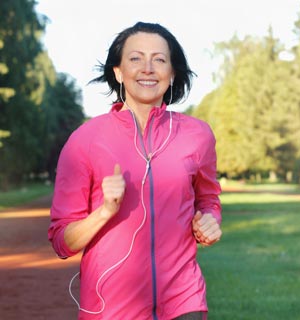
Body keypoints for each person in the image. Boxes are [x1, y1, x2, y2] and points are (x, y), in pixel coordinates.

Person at [48, 21, 222, 320]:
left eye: (159, 59)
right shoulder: (85, 141)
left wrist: (209, 222)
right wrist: (104, 212)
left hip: (184, 301)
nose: (148, 68)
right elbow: (62, 241)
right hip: (110, 309)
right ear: (118, 71)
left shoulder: (198, 135)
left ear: (172, 73)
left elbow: (208, 200)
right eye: (136, 58)